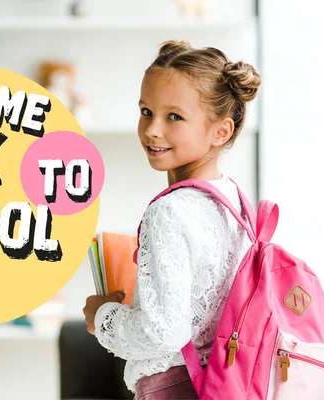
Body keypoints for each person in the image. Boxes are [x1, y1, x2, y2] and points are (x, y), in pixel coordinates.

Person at [83, 39, 261, 400]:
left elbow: (162, 332)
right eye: (146, 111)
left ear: (220, 131)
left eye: (174, 117)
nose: (152, 129)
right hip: (226, 386)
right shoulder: (236, 203)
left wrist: (101, 316)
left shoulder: (168, 211)